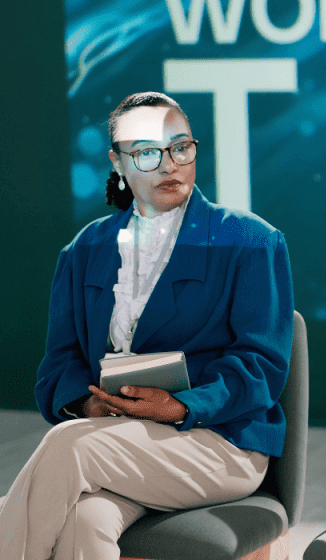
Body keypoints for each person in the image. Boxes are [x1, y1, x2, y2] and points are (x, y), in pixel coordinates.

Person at [0, 92, 294, 560]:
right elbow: (59, 363)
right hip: (114, 438)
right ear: (118, 163)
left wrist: (178, 406)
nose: (169, 165)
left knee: (67, 447)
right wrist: (90, 405)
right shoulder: (83, 250)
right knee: (85, 521)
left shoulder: (250, 240)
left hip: (218, 442)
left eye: (181, 148)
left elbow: (262, 366)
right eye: (147, 153)